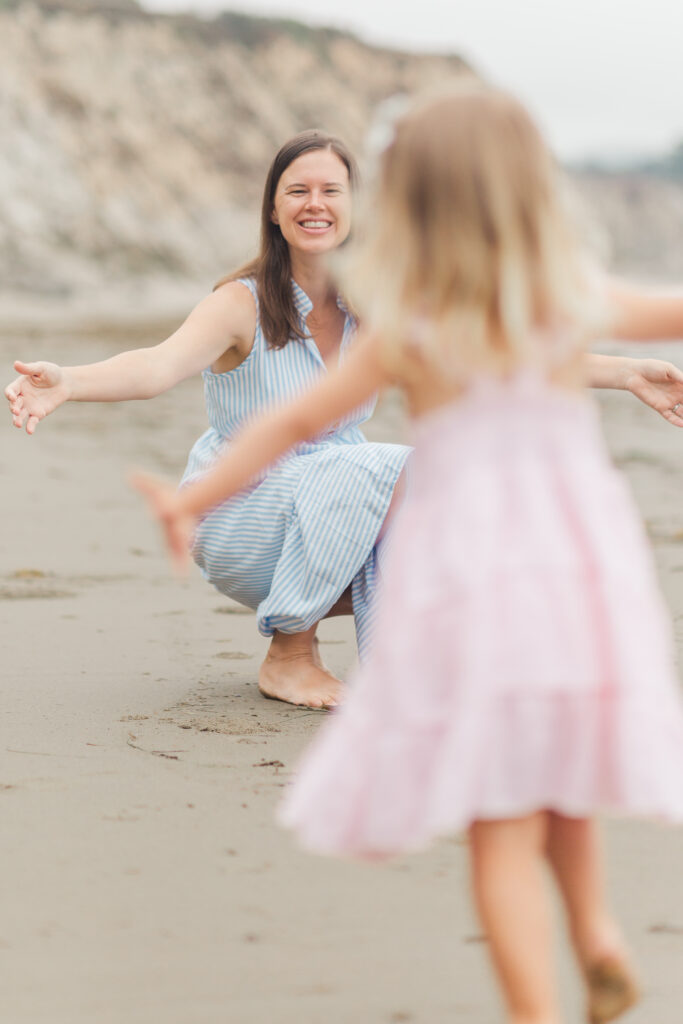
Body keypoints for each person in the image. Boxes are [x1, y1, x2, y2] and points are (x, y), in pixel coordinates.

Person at [133, 86, 683, 1024]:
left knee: (499, 828)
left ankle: (533, 1014)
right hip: (577, 575)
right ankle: (593, 933)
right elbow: (663, 314)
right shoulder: (561, 298)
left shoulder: (408, 319)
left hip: (468, 578)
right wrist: (632, 360)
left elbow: (292, 425)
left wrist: (191, 499)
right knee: (564, 781)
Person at [6, 129, 683, 715]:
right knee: (390, 464)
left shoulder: (381, 308)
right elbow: (156, 368)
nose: (315, 204)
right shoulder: (240, 304)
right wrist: (71, 382)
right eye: (297, 191)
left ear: (355, 207)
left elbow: (494, 350)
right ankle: (289, 652)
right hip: (242, 516)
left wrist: (623, 372)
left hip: (334, 514)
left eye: (331, 190)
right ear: (273, 210)